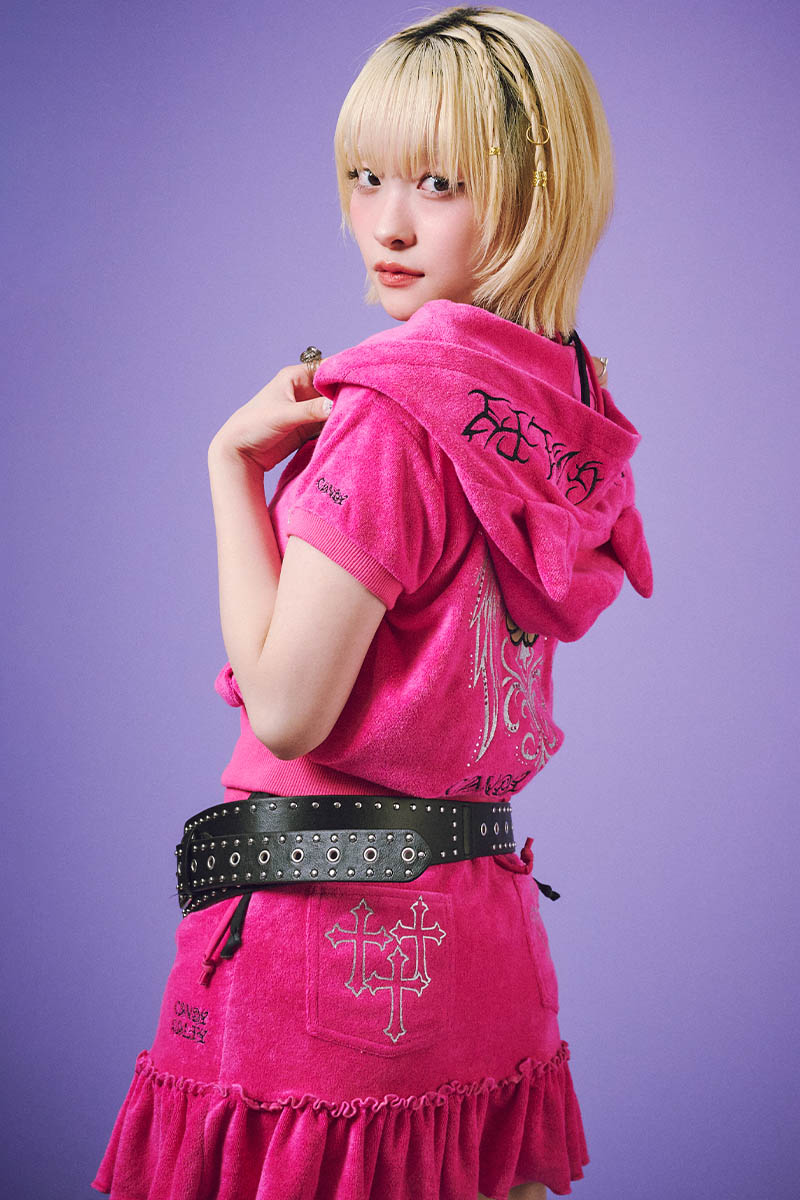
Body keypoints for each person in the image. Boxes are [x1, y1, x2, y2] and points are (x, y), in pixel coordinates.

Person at [92, 6, 653, 1199]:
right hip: (484, 940)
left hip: (327, 949)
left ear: (538, 193)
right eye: (365, 177)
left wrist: (227, 468)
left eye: (438, 184)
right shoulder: (564, 410)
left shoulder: (395, 413)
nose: (387, 224)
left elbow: (289, 709)